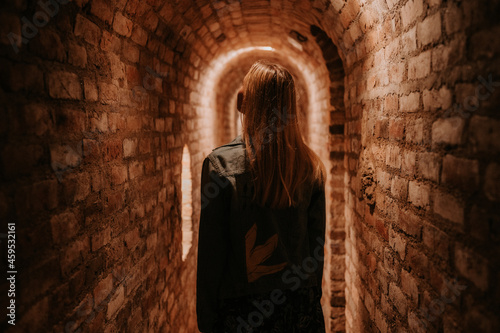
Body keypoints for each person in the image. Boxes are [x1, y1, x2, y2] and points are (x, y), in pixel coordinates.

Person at [197, 60, 327, 333]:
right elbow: (315, 251)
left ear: (244, 103)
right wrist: (311, 304)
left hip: (241, 309)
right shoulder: (309, 166)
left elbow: (212, 254)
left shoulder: (220, 164)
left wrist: (207, 320)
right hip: (299, 307)